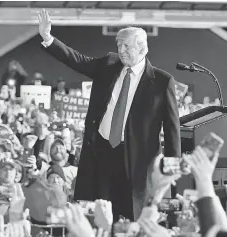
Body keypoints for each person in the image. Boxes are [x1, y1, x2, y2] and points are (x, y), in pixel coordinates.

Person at [38, 9, 181, 221]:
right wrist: (48, 38)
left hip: (136, 161)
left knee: (132, 217)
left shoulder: (162, 81)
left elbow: (172, 129)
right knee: (101, 214)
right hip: (102, 152)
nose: (121, 51)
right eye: (119, 46)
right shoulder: (109, 64)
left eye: (126, 46)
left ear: (142, 48)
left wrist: (171, 169)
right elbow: (77, 60)